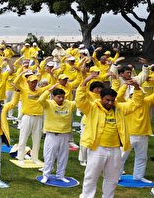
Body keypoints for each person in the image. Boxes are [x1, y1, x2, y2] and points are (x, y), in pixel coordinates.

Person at [77, 70, 143, 198]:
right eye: (107, 100)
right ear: (101, 98)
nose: (110, 103)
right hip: (97, 148)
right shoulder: (91, 108)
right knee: (91, 177)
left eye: (112, 100)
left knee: (112, 179)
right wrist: (85, 81)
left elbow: (136, 104)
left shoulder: (119, 108)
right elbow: (80, 99)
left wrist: (137, 88)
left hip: (115, 149)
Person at [38, 84, 77, 183]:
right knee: (49, 156)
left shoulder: (68, 104)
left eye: (63, 97)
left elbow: (79, 101)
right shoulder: (48, 104)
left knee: (63, 156)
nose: (61, 99)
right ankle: (46, 175)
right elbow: (40, 100)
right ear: (53, 96)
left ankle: (60, 175)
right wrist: (48, 90)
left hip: (65, 135)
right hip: (52, 135)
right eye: (58, 97)